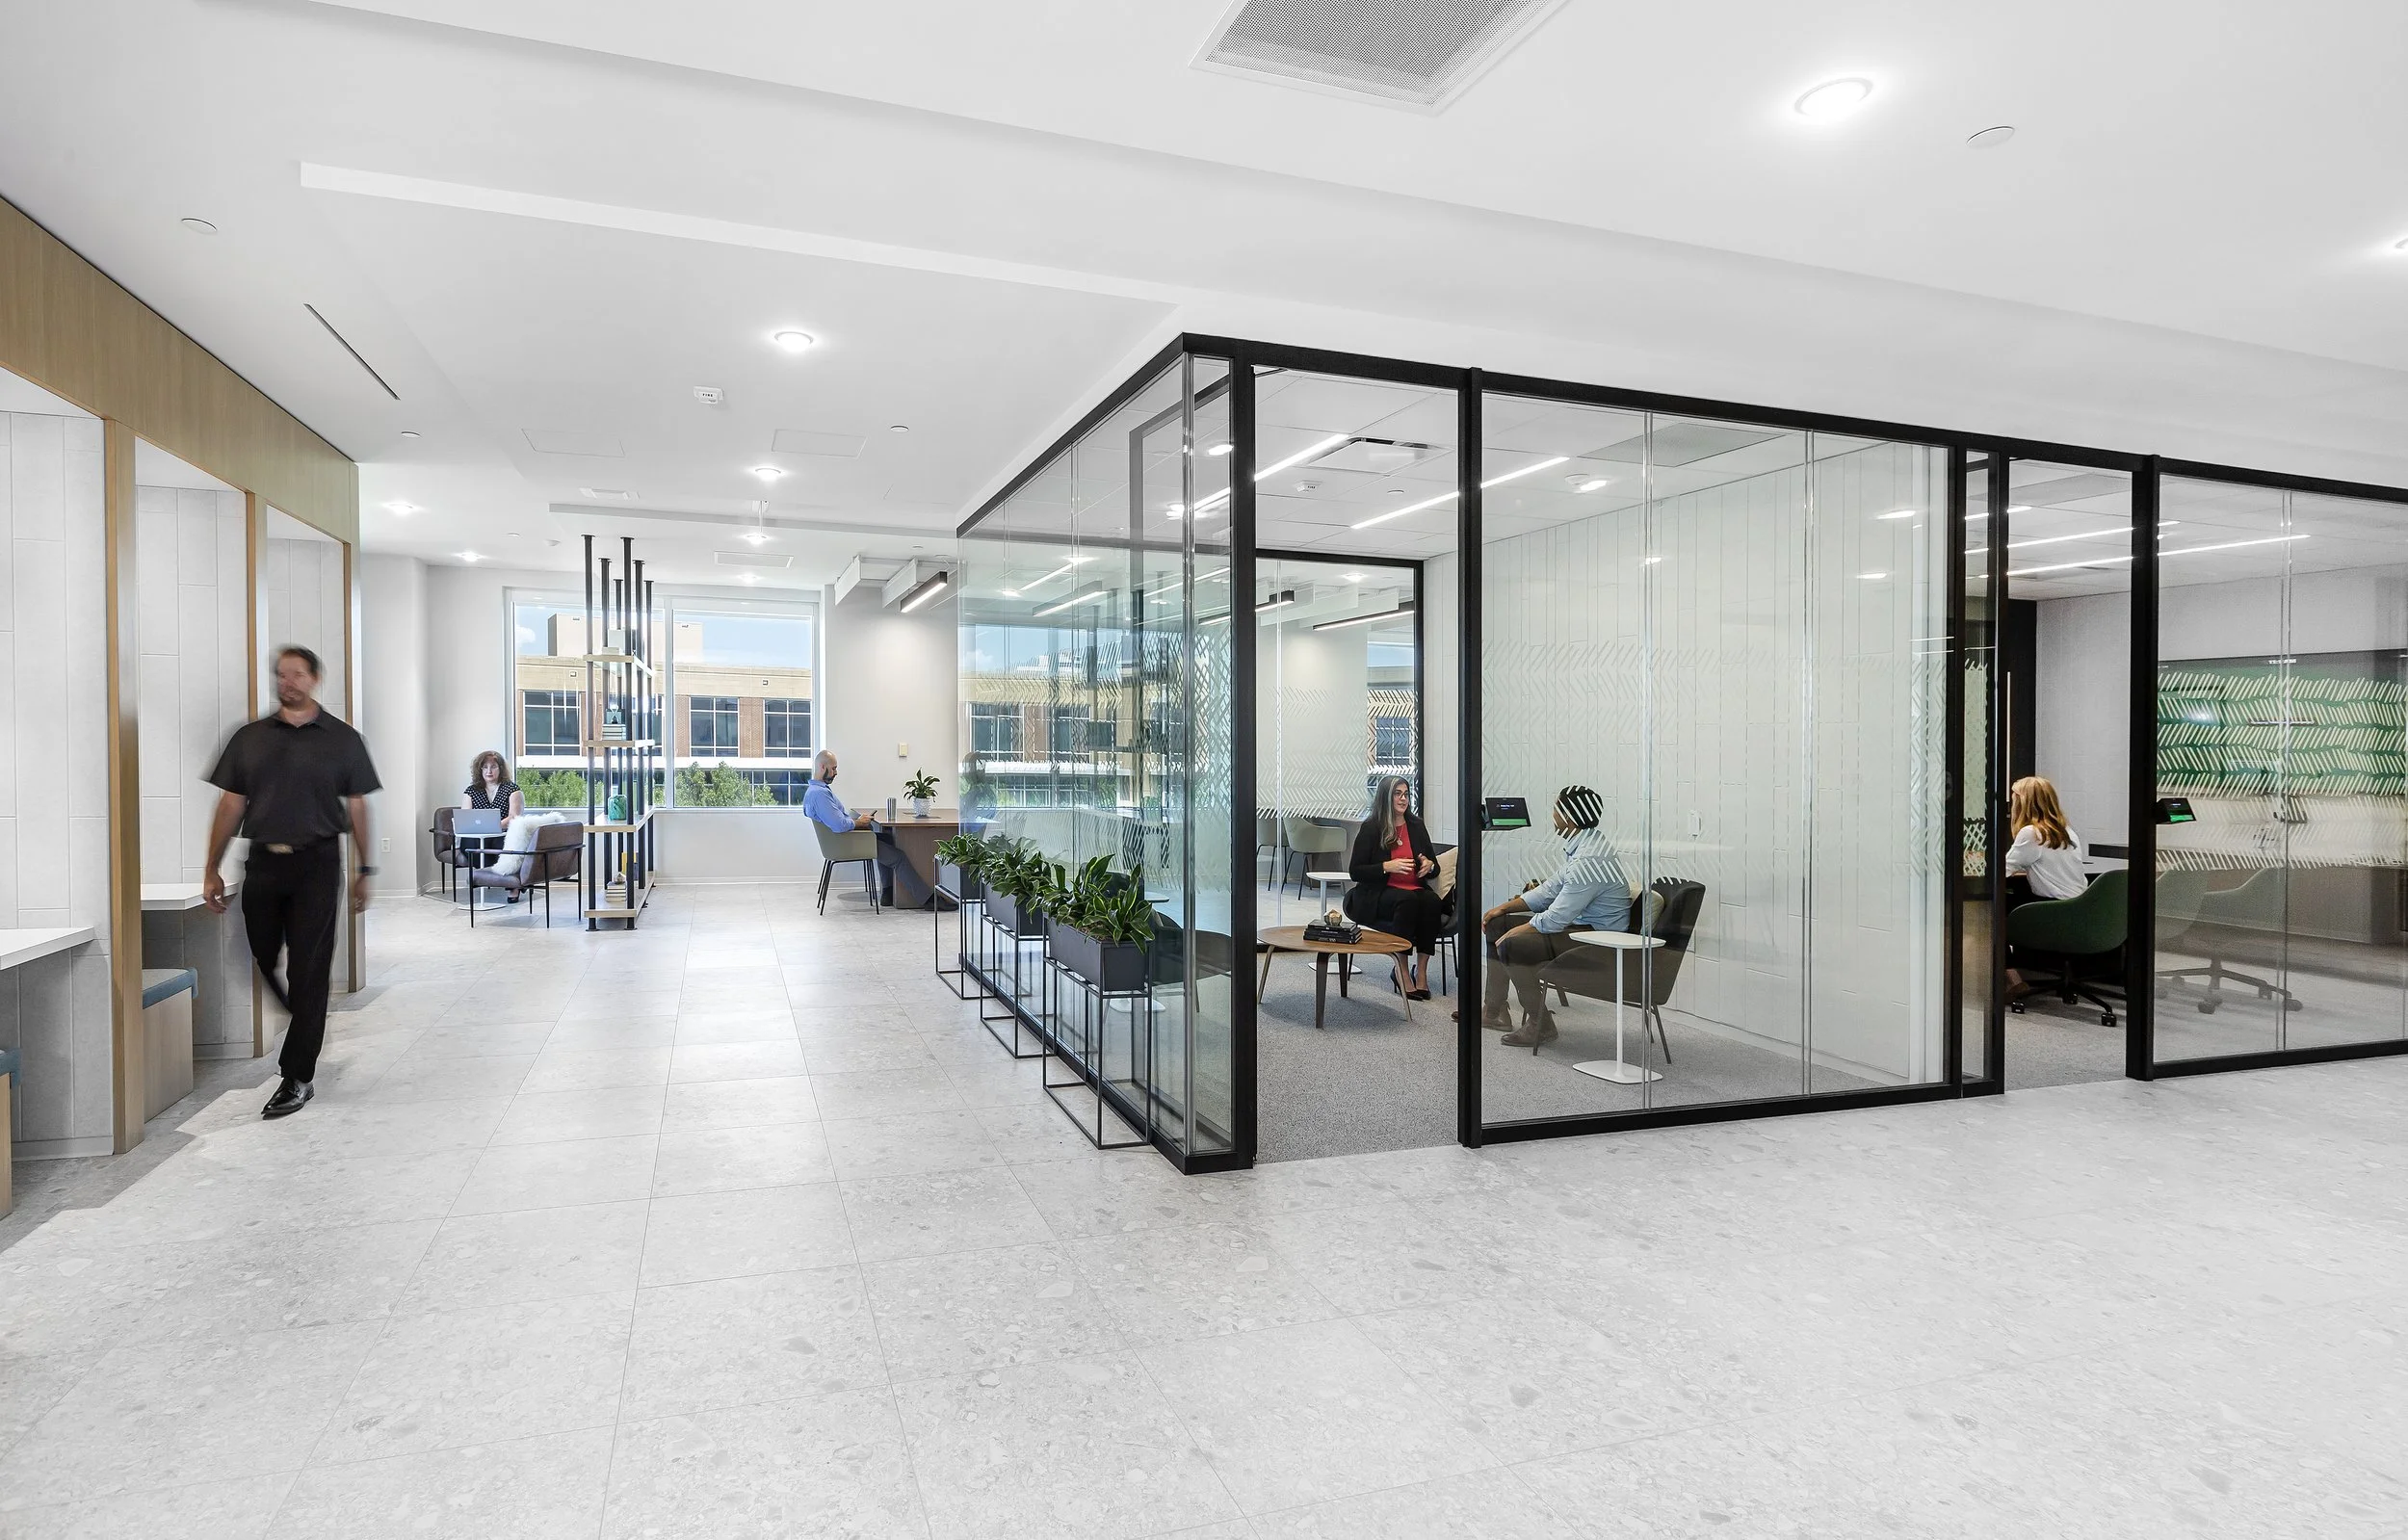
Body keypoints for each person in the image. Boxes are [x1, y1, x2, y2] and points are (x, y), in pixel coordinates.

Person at [201, 645, 380, 1119]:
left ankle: (297, 1075)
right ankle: (304, 1013)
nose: (288, 682)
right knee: (262, 955)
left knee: (310, 969)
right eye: (281, 675)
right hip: (263, 862)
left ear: (315, 679)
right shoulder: (250, 738)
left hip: (317, 864)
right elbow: (230, 804)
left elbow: (358, 805)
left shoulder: (343, 740)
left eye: (297, 675)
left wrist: (365, 870)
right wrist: (211, 866)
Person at [1479, 785, 1632, 1048]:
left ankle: (1541, 1023)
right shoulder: (1584, 844)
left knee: (1513, 944)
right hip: (1580, 926)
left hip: (1598, 939)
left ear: (1569, 817)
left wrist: (1517, 931)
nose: (1552, 815)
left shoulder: (1589, 858)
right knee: (1497, 924)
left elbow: (1556, 918)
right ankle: (1494, 1011)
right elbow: (1550, 889)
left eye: (1556, 809)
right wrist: (1504, 909)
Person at [1348, 774, 1441, 1001]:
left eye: (1406, 794)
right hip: (1379, 893)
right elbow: (1355, 871)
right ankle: (1401, 970)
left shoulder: (1416, 825)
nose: (1403, 799)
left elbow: (1434, 866)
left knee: (1432, 901)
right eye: (1397, 794)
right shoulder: (1371, 828)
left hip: (1414, 889)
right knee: (1407, 901)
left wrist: (1429, 866)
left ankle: (1421, 972)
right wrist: (1386, 866)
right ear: (1385, 797)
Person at [801, 749, 931, 908]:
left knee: (887, 838)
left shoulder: (814, 791)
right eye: (833, 768)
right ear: (823, 767)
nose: (836, 773)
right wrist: (858, 822)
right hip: (845, 842)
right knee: (899, 857)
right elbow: (839, 825)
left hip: (837, 841)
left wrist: (858, 821)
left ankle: (888, 893)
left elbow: (836, 821)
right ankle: (928, 900)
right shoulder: (820, 794)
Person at [2003, 774, 2086, 1001]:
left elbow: (2001, 871)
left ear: (2023, 801)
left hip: (2052, 913)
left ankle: (2013, 981)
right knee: (2011, 901)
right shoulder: (2067, 831)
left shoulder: (2032, 833)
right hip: (2078, 910)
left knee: (1990, 917)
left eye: (2014, 798)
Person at [460, 749, 525, 896]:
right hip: (477, 836)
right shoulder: (471, 791)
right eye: (485, 767)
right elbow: (466, 818)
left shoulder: (512, 789)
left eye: (493, 767)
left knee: (507, 845)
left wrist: (493, 827)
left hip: (503, 834)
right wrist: (482, 829)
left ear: (500, 769)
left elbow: (514, 817)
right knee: (470, 845)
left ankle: (513, 886)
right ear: (480, 769)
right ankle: (484, 878)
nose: (489, 771)